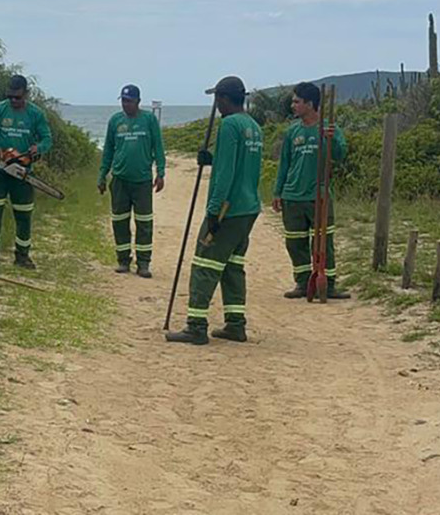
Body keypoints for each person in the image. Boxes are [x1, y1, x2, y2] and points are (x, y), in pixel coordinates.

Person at [167, 76, 263, 345]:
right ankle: (235, 324)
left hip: (228, 209)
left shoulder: (229, 125)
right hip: (249, 206)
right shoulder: (253, 126)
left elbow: (226, 174)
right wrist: (211, 160)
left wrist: (213, 211)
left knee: (205, 264)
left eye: (217, 98)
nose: (216, 104)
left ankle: (196, 326)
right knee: (232, 266)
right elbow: (238, 163)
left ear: (224, 98)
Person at [272, 82, 350, 299]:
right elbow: (284, 164)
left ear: (310, 103)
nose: (293, 105)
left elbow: (339, 155)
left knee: (324, 242)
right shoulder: (292, 132)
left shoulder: (329, 128)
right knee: (295, 242)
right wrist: (278, 192)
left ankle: (328, 284)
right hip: (292, 196)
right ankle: (303, 283)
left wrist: (331, 139)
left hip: (319, 196)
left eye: (297, 101)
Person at [0, 75, 53, 269]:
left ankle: (22, 255)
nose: (14, 100)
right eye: (10, 97)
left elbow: (47, 139)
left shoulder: (36, 114)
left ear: (26, 94)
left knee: (24, 214)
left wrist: (38, 149)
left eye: (18, 97)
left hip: (22, 171)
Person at [97, 84, 166, 278]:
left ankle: (143, 263)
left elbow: (158, 147)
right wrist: (102, 175)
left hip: (142, 181)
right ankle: (123, 260)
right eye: (123, 101)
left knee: (144, 223)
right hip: (120, 180)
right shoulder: (115, 121)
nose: (126, 104)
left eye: (129, 101)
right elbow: (108, 150)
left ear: (138, 101)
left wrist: (161, 172)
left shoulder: (149, 120)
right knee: (120, 221)